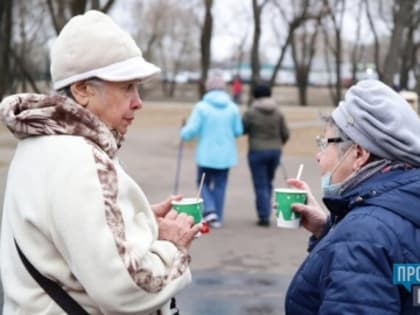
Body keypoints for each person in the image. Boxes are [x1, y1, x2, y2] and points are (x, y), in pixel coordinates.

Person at [0, 10, 201, 315]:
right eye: (126, 87)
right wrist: (172, 247)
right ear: (82, 90)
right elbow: (127, 288)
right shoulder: (80, 159)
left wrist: (140, 220)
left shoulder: (39, 144)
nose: (138, 101)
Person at [284, 80, 420, 314]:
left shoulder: (364, 236)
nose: (318, 156)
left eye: (325, 144)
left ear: (358, 153)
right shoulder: (405, 205)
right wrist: (327, 231)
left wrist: (351, 238)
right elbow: (402, 279)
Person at [180, 75, 243, 228]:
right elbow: (238, 131)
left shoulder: (201, 107)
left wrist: (183, 132)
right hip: (226, 155)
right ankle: (217, 216)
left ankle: (209, 209)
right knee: (220, 186)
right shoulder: (233, 108)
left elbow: (191, 130)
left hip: (206, 155)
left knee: (202, 183)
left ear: (208, 88)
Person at [242, 83, 289, 226]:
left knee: (260, 183)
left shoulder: (250, 112)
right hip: (275, 151)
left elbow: (243, 129)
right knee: (268, 181)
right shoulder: (278, 112)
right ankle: (266, 208)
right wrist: (278, 144)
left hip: (257, 150)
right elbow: (285, 133)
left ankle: (264, 215)